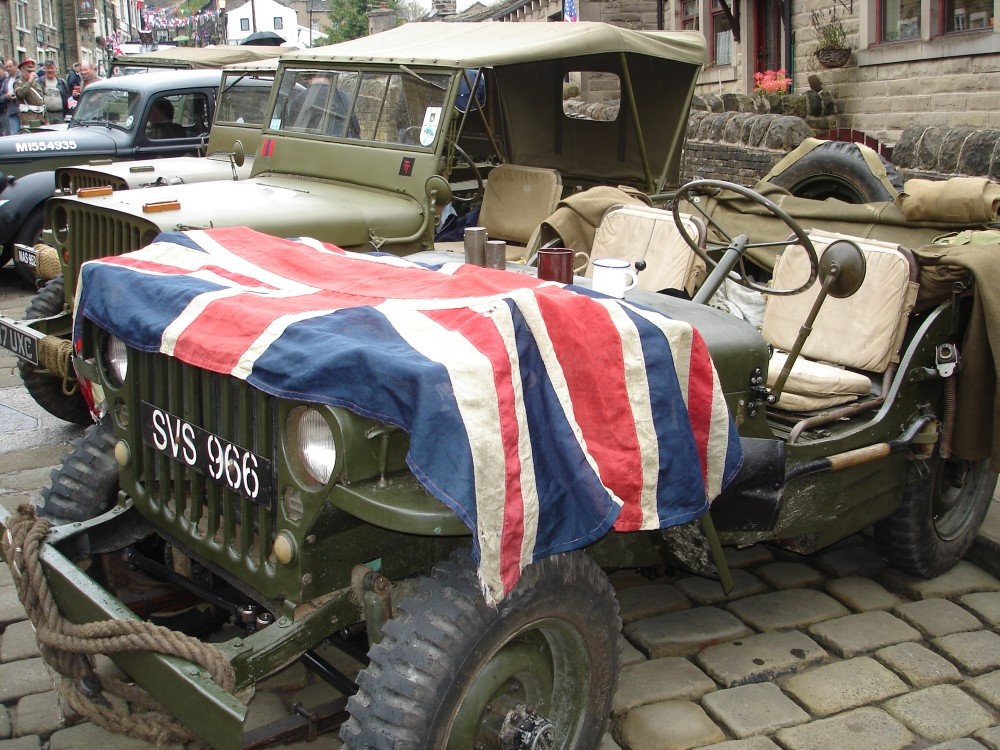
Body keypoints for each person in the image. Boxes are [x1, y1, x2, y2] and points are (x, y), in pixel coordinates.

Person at [14, 59, 45, 131]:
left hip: (40, 117)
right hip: (28, 118)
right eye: (29, 71)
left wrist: (46, 120)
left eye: (33, 71)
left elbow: (42, 102)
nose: (32, 74)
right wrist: (29, 81)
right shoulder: (18, 83)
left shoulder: (37, 84)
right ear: (22, 71)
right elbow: (20, 94)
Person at [40, 60, 70, 124]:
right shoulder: (39, 82)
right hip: (45, 115)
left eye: (52, 68)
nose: (50, 70)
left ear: (56, 69)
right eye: (48, 68)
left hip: (60, 114)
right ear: (44, 69)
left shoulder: (62, 83)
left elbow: (66, 97)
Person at [0, 59, 18, 136]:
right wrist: (6, 97)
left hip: (22, 110)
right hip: (10, 110)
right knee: (13, 134)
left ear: (15, 66)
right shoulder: (6, 81)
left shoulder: (20, 78)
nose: (8, 68)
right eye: (7, 67)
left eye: (10, 66)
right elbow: (1, 96)